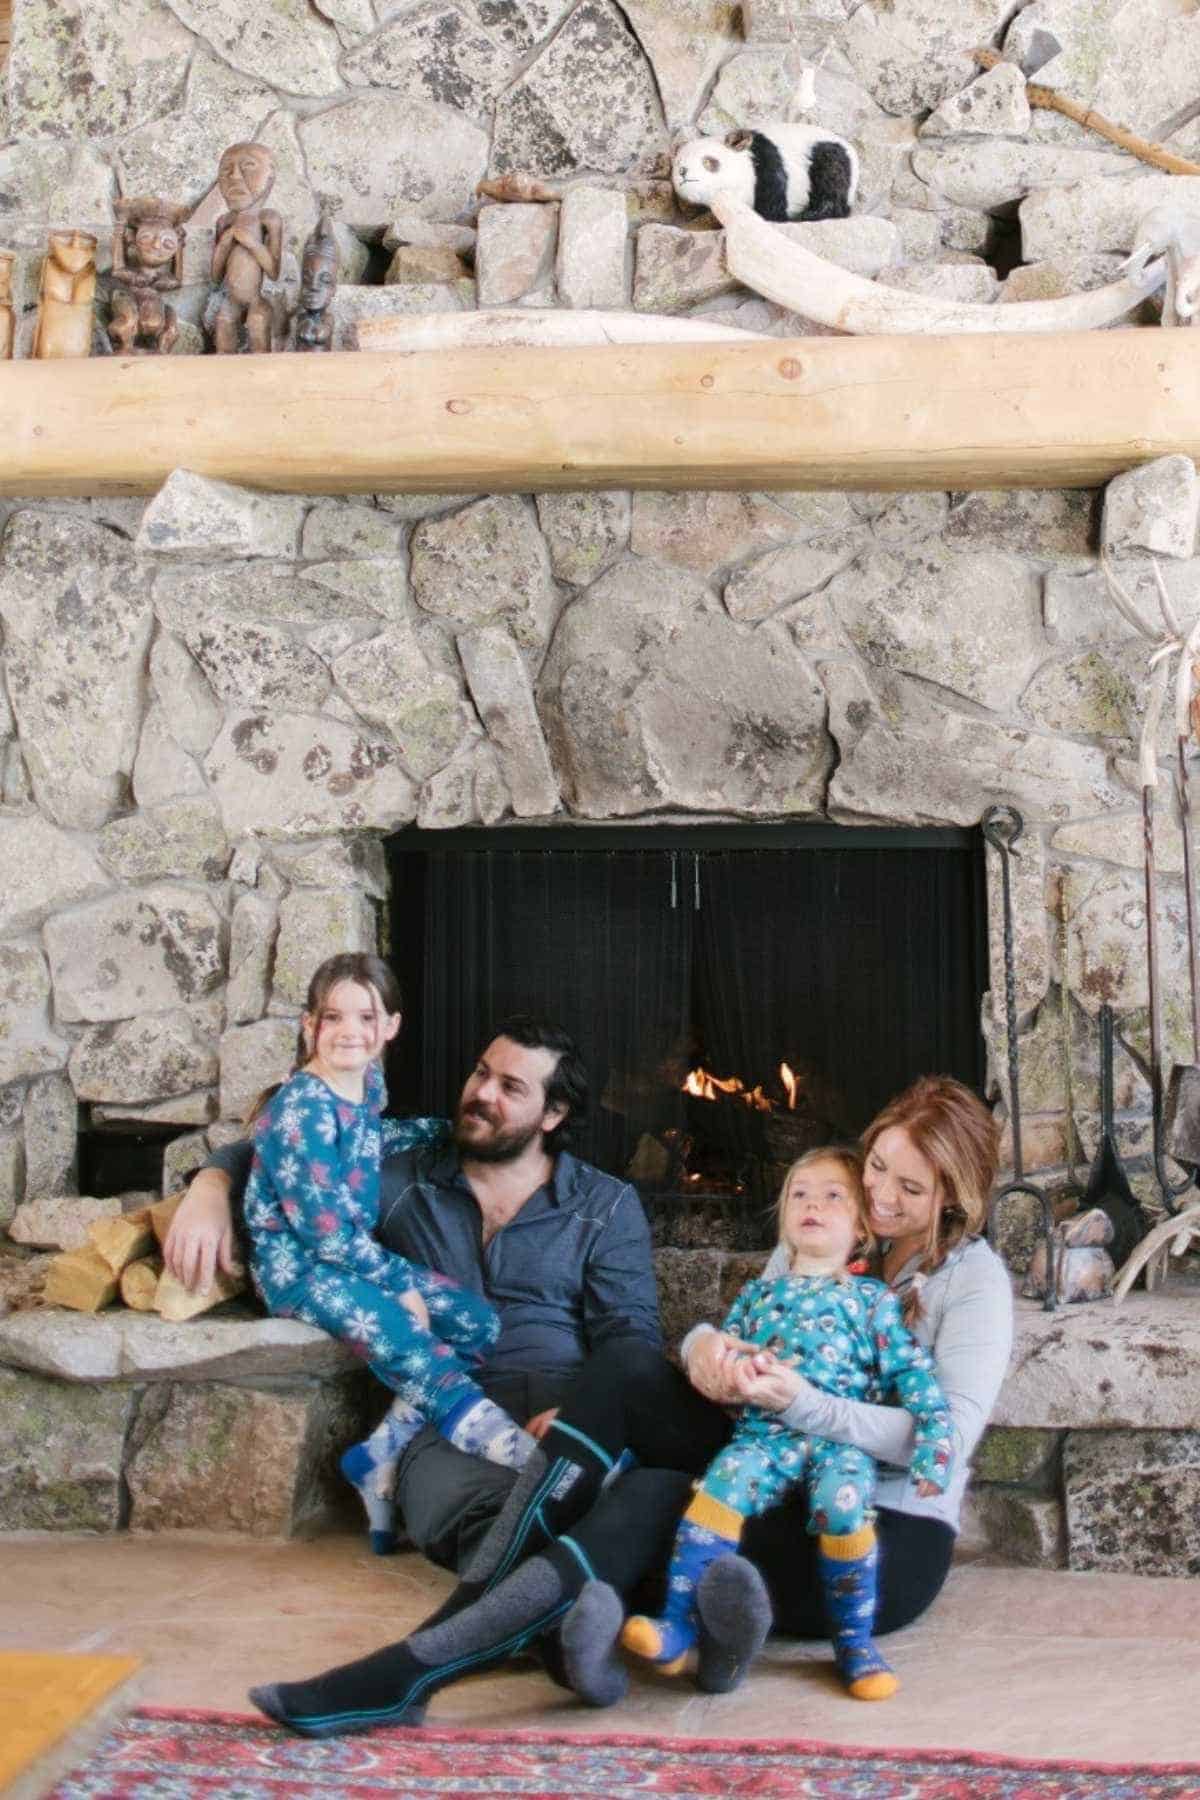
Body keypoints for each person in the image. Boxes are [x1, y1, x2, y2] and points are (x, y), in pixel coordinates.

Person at [243, 1074, 1014, 1739]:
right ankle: (486, 1639)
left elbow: (935, 1440)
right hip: (768, 1464)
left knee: (646, 1499)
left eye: (909, 1190)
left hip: (874, 1531)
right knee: (622, 1368)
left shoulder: (974, 1284)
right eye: (877, 1166)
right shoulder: (835, 1213)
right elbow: (745, 1323)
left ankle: (440, 1656)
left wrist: (807, 1403)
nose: (879, 1194)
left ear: (957, 1199)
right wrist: (704, 1348)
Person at [163, 1010, 665, 1584]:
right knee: (477, 1516)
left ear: (553, 1114)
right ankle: (578, 1611)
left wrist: (586, 1413)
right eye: (480, 1073)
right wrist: (210, 1184)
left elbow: (630, 1338)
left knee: (623, 1495)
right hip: (439, 1411)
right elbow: (284, 1149)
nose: (480, 1094)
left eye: (510, 1087)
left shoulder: (604, 1204)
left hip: (567, 1400)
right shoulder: (401, 1175)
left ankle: (577, 1612)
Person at [621, 1146, 953, 1701]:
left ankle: (854, 1644)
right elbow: (726, 1360)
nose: (812, 1205)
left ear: (861, 1228)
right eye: (798, 1194)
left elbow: (913, 1374)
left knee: (846, 1508)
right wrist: (726, 1366)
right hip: (764, 1436)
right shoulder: (757, 1293)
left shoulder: (873, 1302)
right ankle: (678, 1625)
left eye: (831, 1196)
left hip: (837, 1443)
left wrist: (935, 1442)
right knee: (714, 1497)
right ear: (782, 1218)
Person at [244, 954, 535, 1553]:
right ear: (309, 1026)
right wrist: (399, 1286)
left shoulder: (366, 1082)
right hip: (300, 1269)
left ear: (391, 1026)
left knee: (478, 1321)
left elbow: (365, 1141)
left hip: (350, 1257)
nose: (350, 1031)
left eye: (365, 1016)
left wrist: (440, 1132)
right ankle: (522, 1459)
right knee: (410, 1339)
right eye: (332, 1017)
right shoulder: (299, 1110)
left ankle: (377, 1456)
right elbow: (323, 1233)